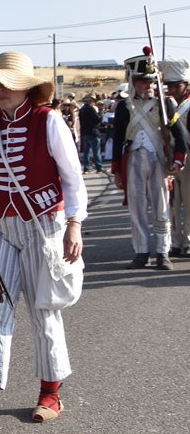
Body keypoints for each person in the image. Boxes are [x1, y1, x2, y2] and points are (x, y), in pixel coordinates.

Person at [0, 52, 87, 426]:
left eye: (10, 84)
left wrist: (74, 223)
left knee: (44, 311)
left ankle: (50, 392)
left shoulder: (48, 120)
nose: (2, 91)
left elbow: (72, 175)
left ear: (26, 88)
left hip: (43, 224)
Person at [111, 50, 188, 270]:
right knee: (137, 208)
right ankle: (141, 252)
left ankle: (163, 253)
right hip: (133, 160)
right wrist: (116, 170)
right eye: (143, 82)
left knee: (162, 209)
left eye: (151, 81)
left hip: (158, 160)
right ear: (132, 82)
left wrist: (178, 160)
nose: (148, 86)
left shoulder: (166, 104)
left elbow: (179, 136)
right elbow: (117, 140)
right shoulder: (124, 107)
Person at [162, 60, 190, 256]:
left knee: (188, 202)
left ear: (186, 85)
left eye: (176, 86)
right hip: (169, 154)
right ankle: (175, 242)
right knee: (171, 203)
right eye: (169, 86)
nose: (172, 90)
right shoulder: (165, 105)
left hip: (188, 156)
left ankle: (187, 240)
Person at [78, 95, 104, 173]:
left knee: (86, 151)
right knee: (96, 151)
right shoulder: (90, 109)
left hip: (84, 132)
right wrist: (101, 113)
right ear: (90, 101)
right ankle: (99, 167)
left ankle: (86, 168)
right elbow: (97, 119)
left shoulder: (82, 110)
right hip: (93, 132)